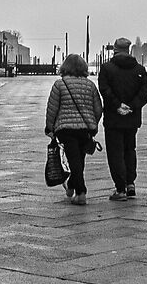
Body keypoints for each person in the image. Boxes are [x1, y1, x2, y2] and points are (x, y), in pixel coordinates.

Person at [44, 52, 103, 205]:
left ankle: (81, 192)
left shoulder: (60, 84)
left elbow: (52, 109)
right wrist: (93, 124)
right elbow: (98, 109)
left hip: (66, 129)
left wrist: (49, 127)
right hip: (85, 129)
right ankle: (71, 186)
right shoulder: (90, 85)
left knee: (74, 160)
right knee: (79, 160)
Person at [97, 37, 147, 201]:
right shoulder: (139, 69)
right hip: (132, 118)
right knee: (129, 149)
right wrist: (132, 106)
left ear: (115, 49)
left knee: (115, 152)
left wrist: (117, 105)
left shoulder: (106, 68)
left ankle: (120, 188)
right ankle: (130, 183)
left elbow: (104, 90)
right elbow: (145, 92)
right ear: (128, 50)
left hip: (113, 118)